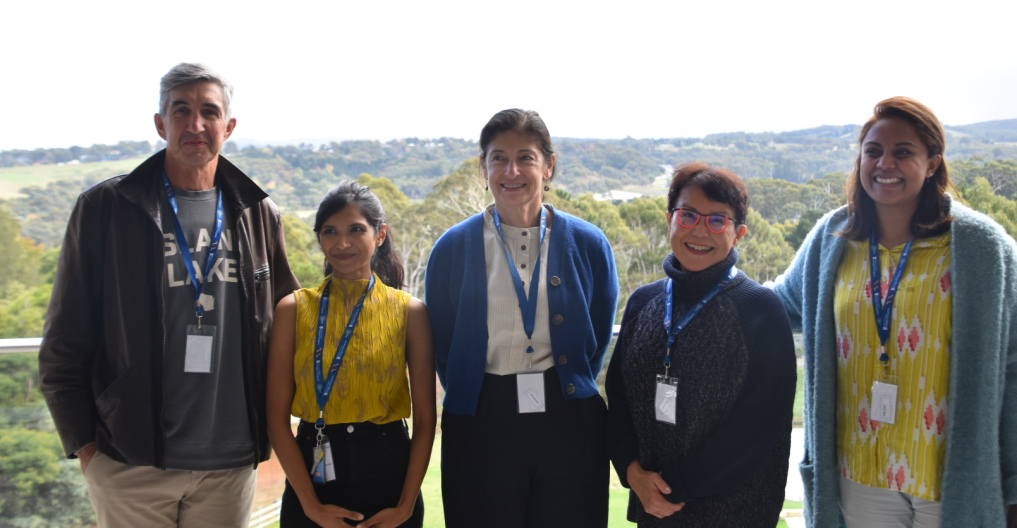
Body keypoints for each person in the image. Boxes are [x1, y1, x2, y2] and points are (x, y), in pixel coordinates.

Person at [38, 62, 300, 527]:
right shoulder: (107, 209)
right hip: (129, 459)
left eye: (209, 111)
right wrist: (87, 447)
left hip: (231, 458)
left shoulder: (259, 213)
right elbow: (65, 337)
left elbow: (290, 320)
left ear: (229, 126)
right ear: (161, 124)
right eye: (181, 111)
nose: (195, 124)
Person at [773, 96, 1017, 527]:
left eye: (904, 152)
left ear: (932, 163)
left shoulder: (982, 247)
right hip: (859, 476)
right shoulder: (831, 238)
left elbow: (1013, 364)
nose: (885, 163)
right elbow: (778, 305)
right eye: (874, 151)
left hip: (950, 481)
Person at [425, 108, 618, 527]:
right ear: (483, 167)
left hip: (569, 420)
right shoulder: (452, 248)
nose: (511, 170)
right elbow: (443, 344)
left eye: (526, 157)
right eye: (498, 158)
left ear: (548, 166)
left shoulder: (589, 244)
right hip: (481, 421)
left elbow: (597, 335)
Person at [606, 163, 796, 527]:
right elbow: (619, 402)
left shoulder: (760, 309)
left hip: (733, 513)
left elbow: (758, 426)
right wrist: (633, 474)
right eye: (689, 214)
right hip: (653, 508)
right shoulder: (644, 302)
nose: (699, 230)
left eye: (717, 221)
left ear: (738, 233)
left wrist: (672, 488)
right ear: (669, 218)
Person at [266, 181, 435, 528]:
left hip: (389, 473)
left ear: (380, 234)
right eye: (330, 231)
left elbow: (426, 421)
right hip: (312, 477)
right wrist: (310, 507)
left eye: (356, 229)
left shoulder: (410, 312)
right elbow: (276, 418)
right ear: (319, 238)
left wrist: (404, 507)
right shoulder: (293, 310)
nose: (342, 243)